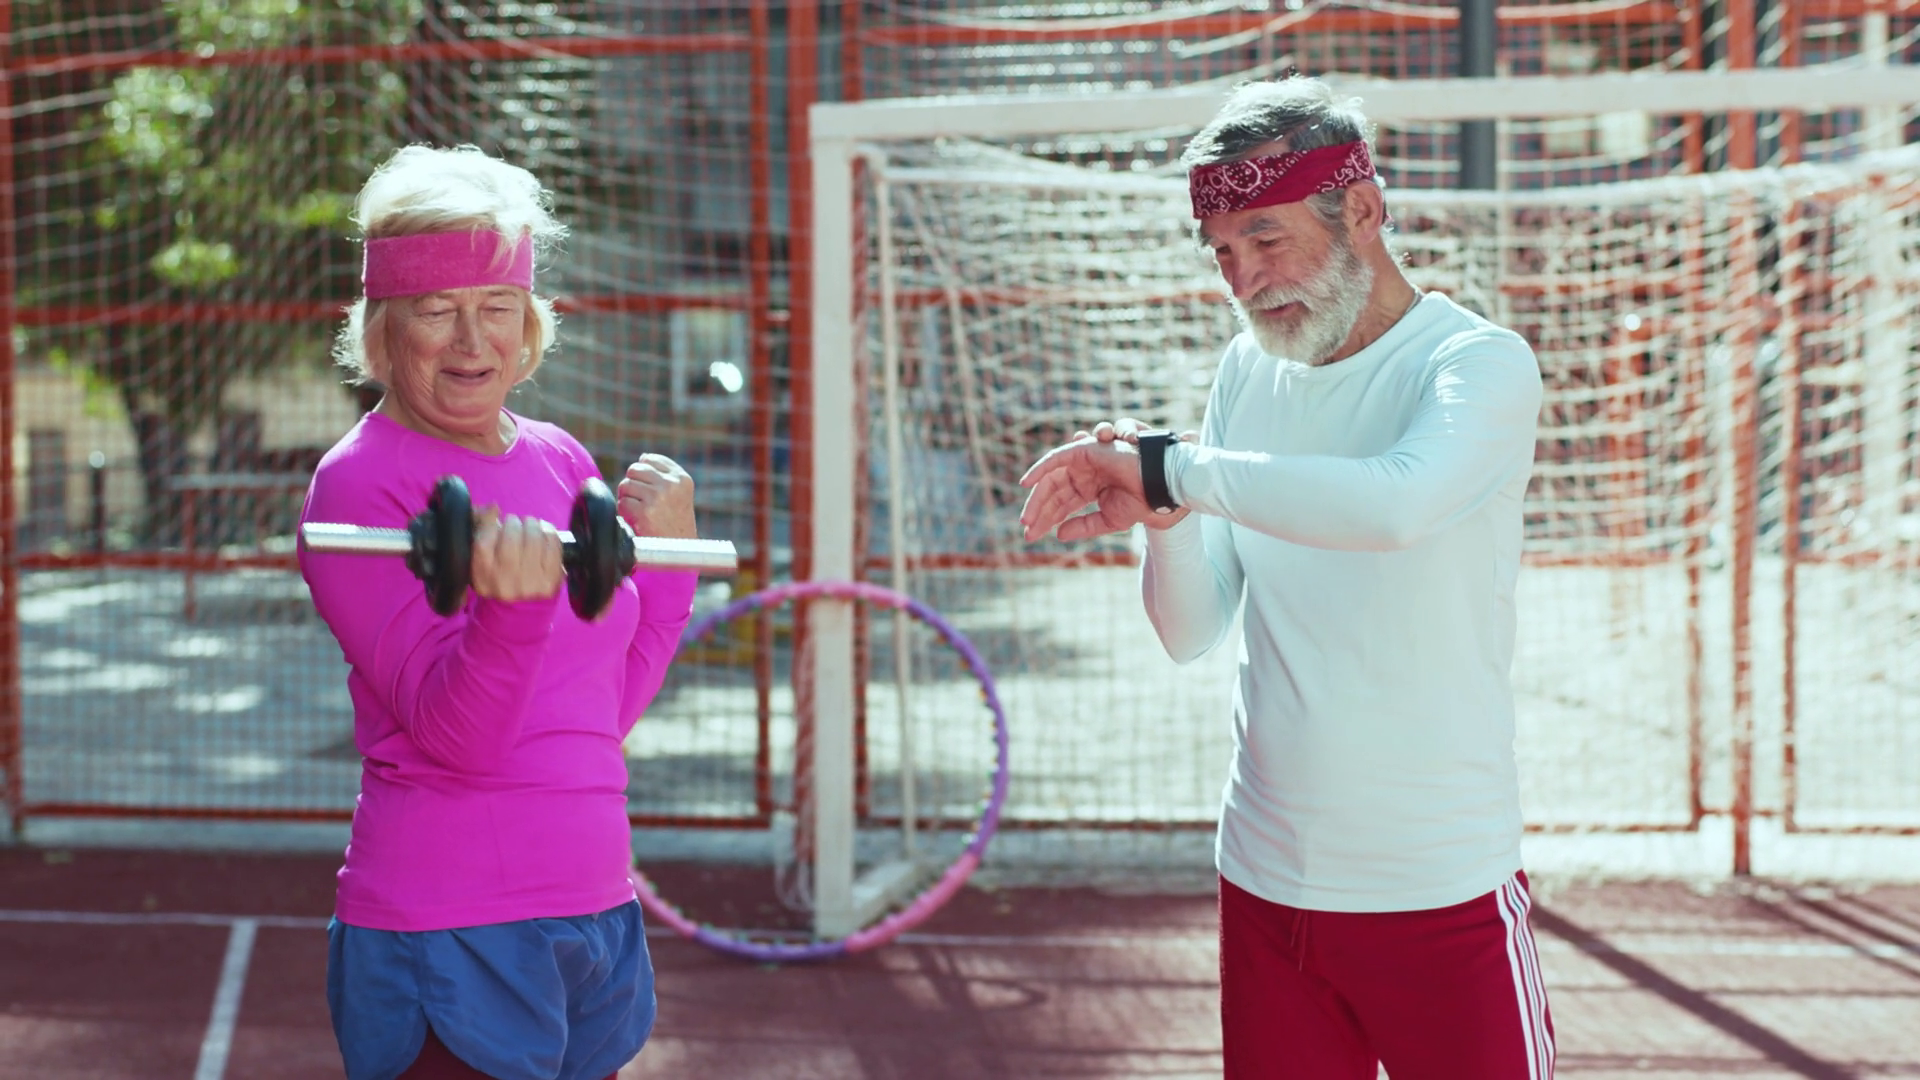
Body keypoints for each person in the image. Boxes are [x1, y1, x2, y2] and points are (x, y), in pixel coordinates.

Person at [1018, 77, 1555, 1079]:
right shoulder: (1247, 370)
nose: (1246, 279)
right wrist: (1168, 523)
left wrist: (1175, 470)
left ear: (1364, 209)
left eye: (1267, 238)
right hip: (1265, 883)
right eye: (1223, 251)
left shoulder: (1475, 363)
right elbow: (1192, 630)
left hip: (1437, 885)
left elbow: (1393, 507)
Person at [299, 144, 697, 1080]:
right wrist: (509, 615)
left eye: (497, 307)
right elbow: (460, 739)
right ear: (384, 330)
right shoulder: (356, 485)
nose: (472, 342)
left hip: (594, 907)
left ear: (529, 325)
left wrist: (670, 564)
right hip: (448, 923)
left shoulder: (561, 459)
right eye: (437, 311)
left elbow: (600, 714)